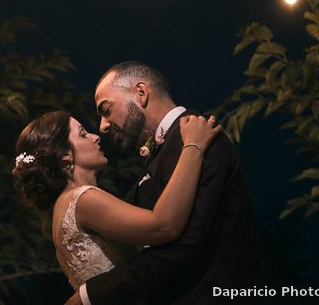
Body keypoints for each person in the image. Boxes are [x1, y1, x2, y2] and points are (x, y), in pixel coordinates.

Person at [84, 61, 253, 304]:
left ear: (141, 93)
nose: (102, 127)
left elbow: (183, 249)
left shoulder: (199, 137)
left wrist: (91, 294)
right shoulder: (164, 150)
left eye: (106, 109)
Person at [13, 109, 220, 302]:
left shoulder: (62, 209)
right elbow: (163, 225)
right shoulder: (83, 200)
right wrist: (194, 146)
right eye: (83, 133)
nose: (96, 136)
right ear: (64, 156)